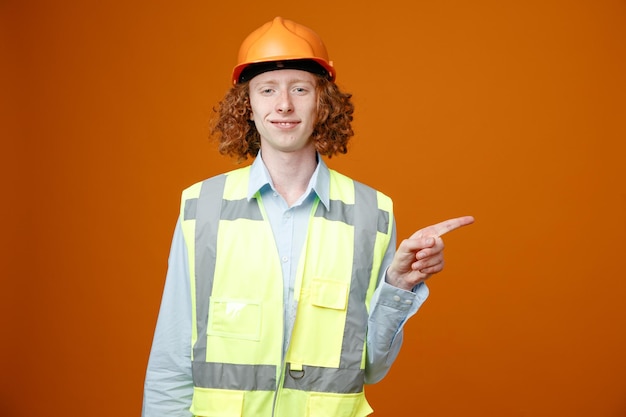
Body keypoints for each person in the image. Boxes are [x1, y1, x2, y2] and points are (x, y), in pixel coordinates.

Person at [142, 16, 474, 417]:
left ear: (322, 103)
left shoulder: (373, 214)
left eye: (300, 89)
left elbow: (372, 367)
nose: (284, 104)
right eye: (268, 90)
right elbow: (171, 358)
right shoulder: (202, 206)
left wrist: (398, 286)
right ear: (247, 106)